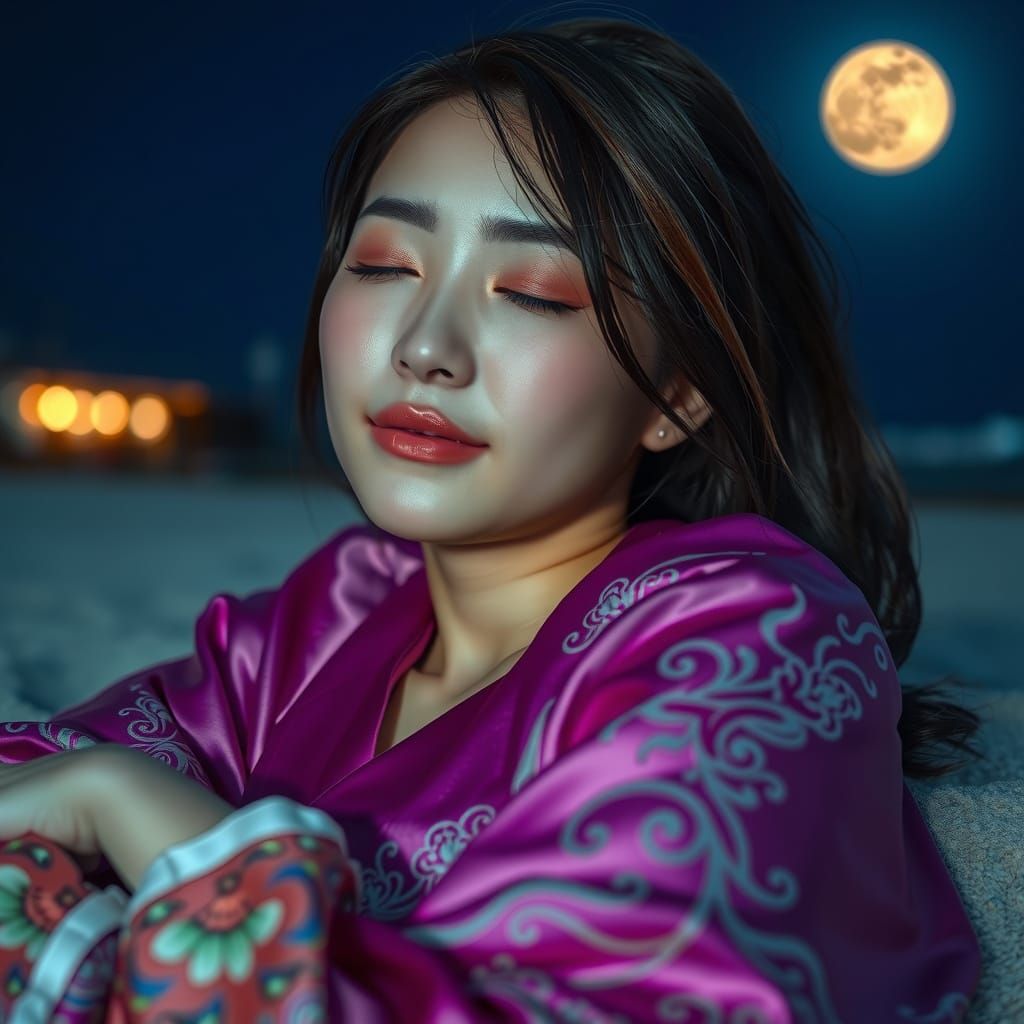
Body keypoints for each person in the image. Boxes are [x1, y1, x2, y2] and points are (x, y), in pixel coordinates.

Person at [0, 14, 985, 1022]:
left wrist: (145, 817)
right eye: (385, 263)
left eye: (533, 290)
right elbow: (33, 780)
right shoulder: (335, 614)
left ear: (676, 393)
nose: (427, 346)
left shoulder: (757, 640)